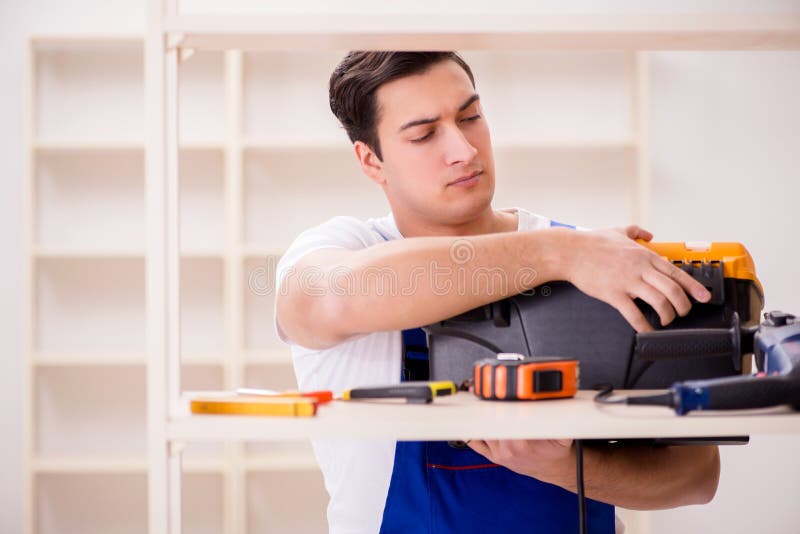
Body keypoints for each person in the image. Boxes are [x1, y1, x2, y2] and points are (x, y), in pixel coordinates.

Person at [274, 51, 720, 534]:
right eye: (424, 134)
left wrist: (558, 465)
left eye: (471, 117)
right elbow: (326, 300)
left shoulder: (598, 261)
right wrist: (560, 255)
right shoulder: (346, 250)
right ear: (372, 160)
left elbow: (696, 475)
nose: (464, 149)